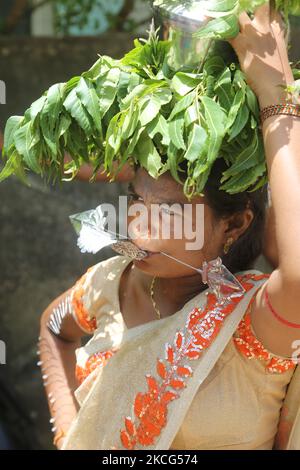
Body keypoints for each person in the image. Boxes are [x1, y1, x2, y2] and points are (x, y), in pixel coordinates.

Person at [38, 4, 300, 450]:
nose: (139, 225)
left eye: (171, 211)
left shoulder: (253, 325)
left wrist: (277, 105)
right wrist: (68, 434)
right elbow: (53, 329)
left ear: (233, 224)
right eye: (138, 200)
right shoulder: (110, 285)